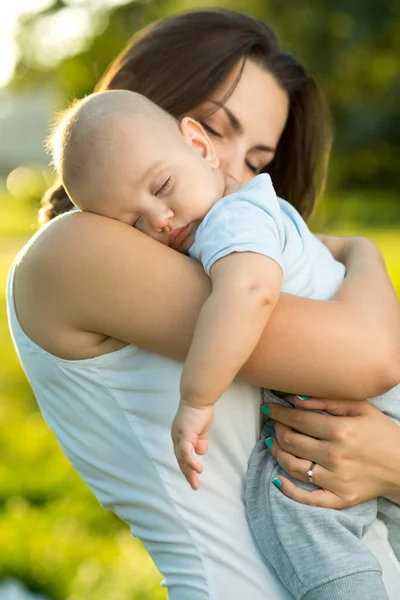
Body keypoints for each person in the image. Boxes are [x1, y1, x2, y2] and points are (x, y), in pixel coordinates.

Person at [7, 9, 400, 600]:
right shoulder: (78, 248)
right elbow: (372, 356)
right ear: (160, 115)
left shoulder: (218, 243)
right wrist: (363, 254)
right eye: (218, 129)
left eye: (259, 161)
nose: (234, 175)